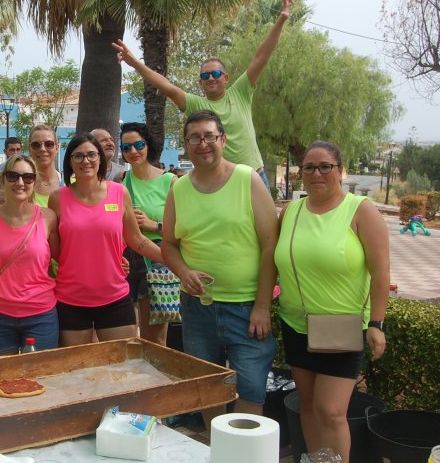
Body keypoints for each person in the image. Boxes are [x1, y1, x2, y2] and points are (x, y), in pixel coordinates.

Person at [274, 141, 389, 463]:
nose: (316, 173)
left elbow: (381, 273)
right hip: (296, 323)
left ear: (341, 170)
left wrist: (377, 325)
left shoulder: (360, 210)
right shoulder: (291, 211)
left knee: (331, 411)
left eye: (325, 166)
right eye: (308, 167)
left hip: (341, 325)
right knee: (307, 405)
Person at [161, 110, 278, 428]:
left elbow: (271, 245)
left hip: (247, 308)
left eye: (209, 136)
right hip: (198, 308)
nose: (203, 144)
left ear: (223, 140)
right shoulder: (179, 188)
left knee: (251, 389)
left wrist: (263, 306)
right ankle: (216, 451)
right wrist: (184, 272)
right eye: (194, 138)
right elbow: (168, 244)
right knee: (207, 388)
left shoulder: (247, 179)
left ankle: (243, 459)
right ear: (185, 144)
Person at [113, 0, 293, 187]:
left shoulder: (241, 91)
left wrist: (282, 19)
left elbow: (261, 56)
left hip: (254, 176)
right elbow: (166, 86)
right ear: (200, 82)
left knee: (264, 220)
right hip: (222, 181)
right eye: (205, 76)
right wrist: (134, 63)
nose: (210, 78)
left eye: (215, 74)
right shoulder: (196, 105)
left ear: (225, 78)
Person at [49, 133, 162, 347]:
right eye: (78, 156)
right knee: (77, 371)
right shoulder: (58, 198)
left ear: (101, 158)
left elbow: (138, 240)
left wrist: (176, 260)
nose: (86, 161)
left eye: (91, 155)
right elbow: (54, 249)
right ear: (69, 161)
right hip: (71, 299)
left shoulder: (119, 193)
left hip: (114, 297)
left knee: (121, 371)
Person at [0, 155, 59, 356]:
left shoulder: (48, 218)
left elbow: (66, 259)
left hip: (41, 315)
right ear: (2, 179)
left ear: (34, 182)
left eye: (27, 177)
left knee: (41, 377)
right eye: (13, 176)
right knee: (4, 380)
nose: (20, 183)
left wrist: (113, 264)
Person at [120, 123, 176, 345]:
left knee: (154, 337)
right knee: (127, 335)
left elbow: (183, 228)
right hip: (126, 256)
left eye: (138, 145)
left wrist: (153, 225)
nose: (133, 152)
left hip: (157, 257)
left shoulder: (170, 181)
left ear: (148, 145)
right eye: (126, 148)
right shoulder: (122, 180)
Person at [27, 126, 62, 207]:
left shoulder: (71, 184)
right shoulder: (21, 186)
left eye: (49, 144)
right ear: (29, 148)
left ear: (57, 148)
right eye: (36, 145)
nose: (42, 149)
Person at [0, 136, 23, 203]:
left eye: (18, 149)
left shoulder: (28, 170)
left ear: (21, 151)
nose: (15, 153)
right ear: (5, 151)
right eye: (12, 150)